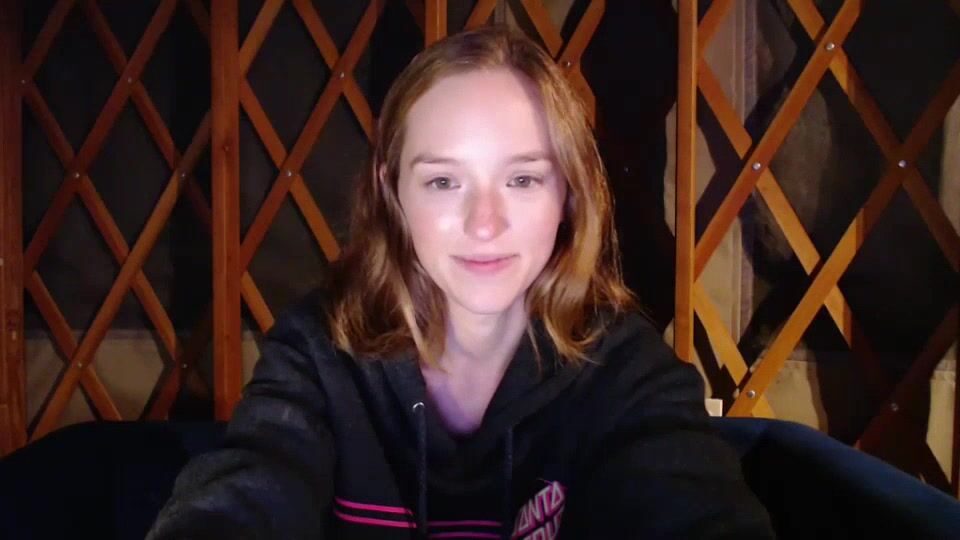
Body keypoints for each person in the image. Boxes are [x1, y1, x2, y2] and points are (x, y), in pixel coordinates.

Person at [147, 26, 773, 539]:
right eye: (444, 181)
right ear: (394, 191)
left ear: (567, 193)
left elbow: (688, 500)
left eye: (522, 179)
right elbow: (249, 487)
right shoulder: (320, 354)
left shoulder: (623, 369)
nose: (484, 223)